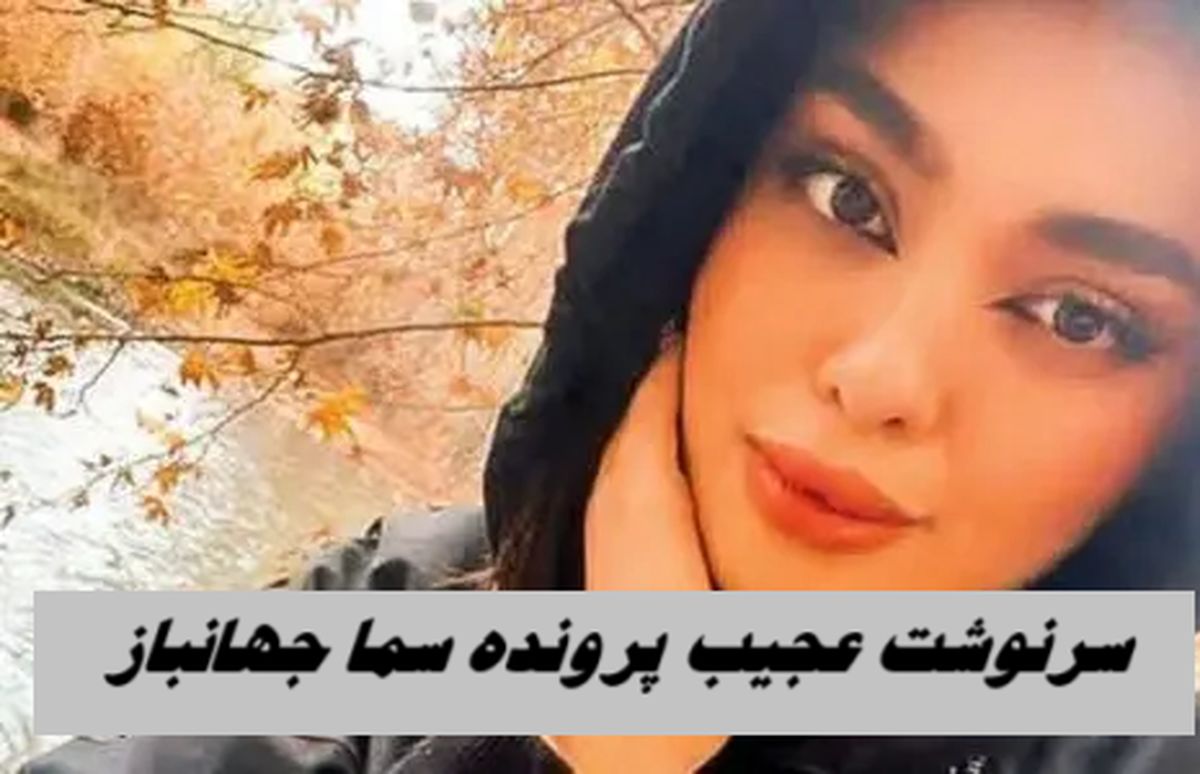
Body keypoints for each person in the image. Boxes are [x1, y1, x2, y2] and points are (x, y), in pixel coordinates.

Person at [25, 0, 1200, 771]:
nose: (879, 375)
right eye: (848, 198)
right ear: (702, 207)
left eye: (1080, 319)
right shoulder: (403, 601)